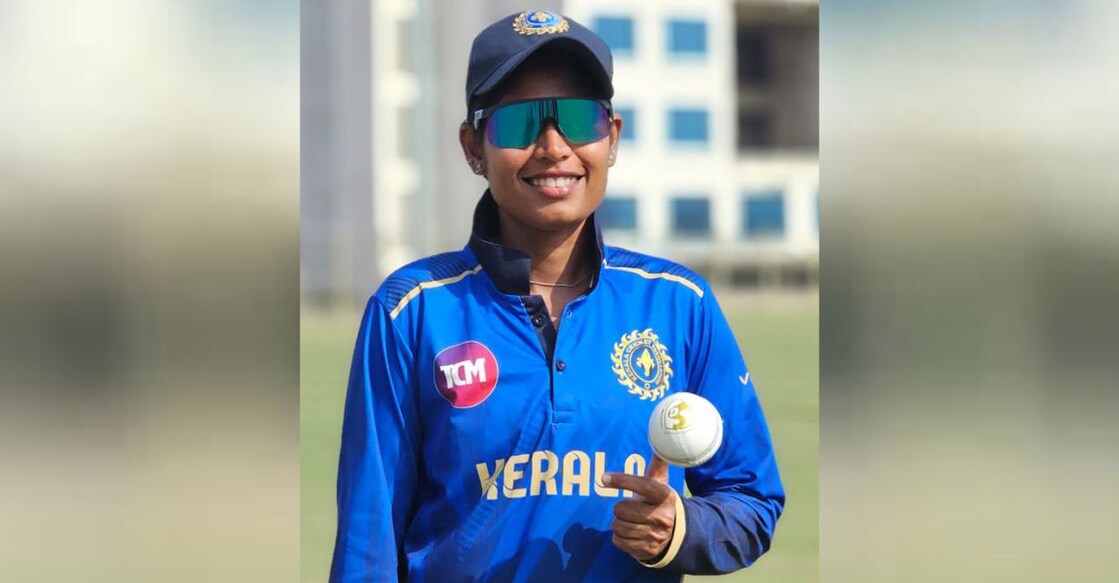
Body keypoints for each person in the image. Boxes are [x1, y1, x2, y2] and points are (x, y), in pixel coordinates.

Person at [331, 10, 783, 582]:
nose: (552, 147)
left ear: (612, 138)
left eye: (577, 119)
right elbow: (367, 542)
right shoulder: (412, 311)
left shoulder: (678, 303)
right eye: (519, 123)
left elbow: (752, 498)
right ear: (473, 147)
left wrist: (680, 529)